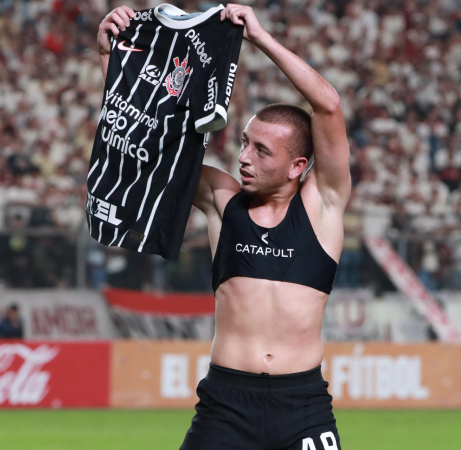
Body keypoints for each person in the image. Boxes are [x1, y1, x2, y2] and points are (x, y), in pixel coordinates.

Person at [98, 4, 352, 449]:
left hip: (304, 406)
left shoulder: (323, 206)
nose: (243, 157)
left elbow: (328, 106)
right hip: (225, 407)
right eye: (244, 144)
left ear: (297, 166)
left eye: (261, 151)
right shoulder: (223, 203)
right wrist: (112, 58)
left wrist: (260, 39)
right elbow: (147, 141)